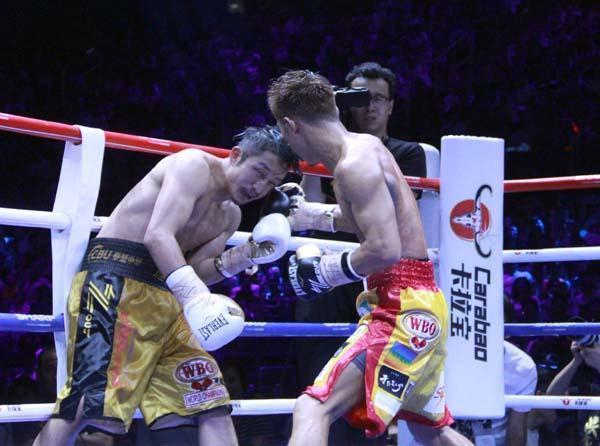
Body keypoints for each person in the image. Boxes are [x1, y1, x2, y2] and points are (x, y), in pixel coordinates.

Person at [34, 126, 298, 446]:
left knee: (211, 401)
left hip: (168, 300)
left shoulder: (230, 216)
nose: (260, 187)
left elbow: (198, 271)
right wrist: (196, 296)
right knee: (85, 404)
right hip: (115, 283)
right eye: (260, 172)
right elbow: (158, 235)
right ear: (236, 155)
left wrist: (243, 256)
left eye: (271, 183)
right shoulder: (193, 166)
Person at [267, 70, 471, 445]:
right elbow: (372, 217)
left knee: (313, 408)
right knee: (430, 430)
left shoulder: (352, 166)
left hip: (400, 307)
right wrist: (310, 215)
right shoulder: (365, 148)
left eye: (283, 131)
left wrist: (326, 272)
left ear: (291, 125)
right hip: (421, 302)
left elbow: (383, 248)